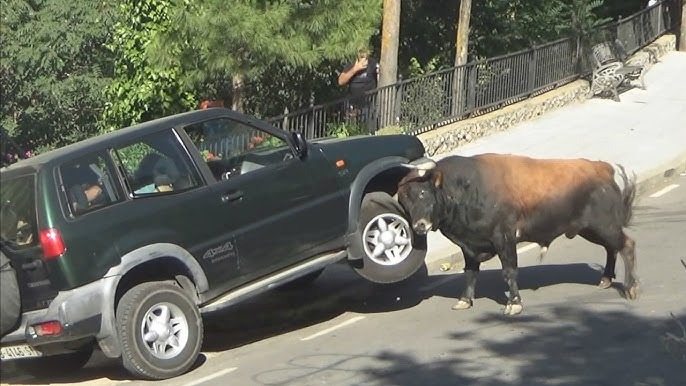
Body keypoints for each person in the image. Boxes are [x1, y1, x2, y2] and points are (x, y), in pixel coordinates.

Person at [338, 47, 379, 132]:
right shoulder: (352, 64)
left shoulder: (373, 63)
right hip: (353, 103)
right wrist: (355, 69)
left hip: (368, 103)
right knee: (352, 129)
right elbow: (341, 81)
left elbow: (380, 77)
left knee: (367, 129)